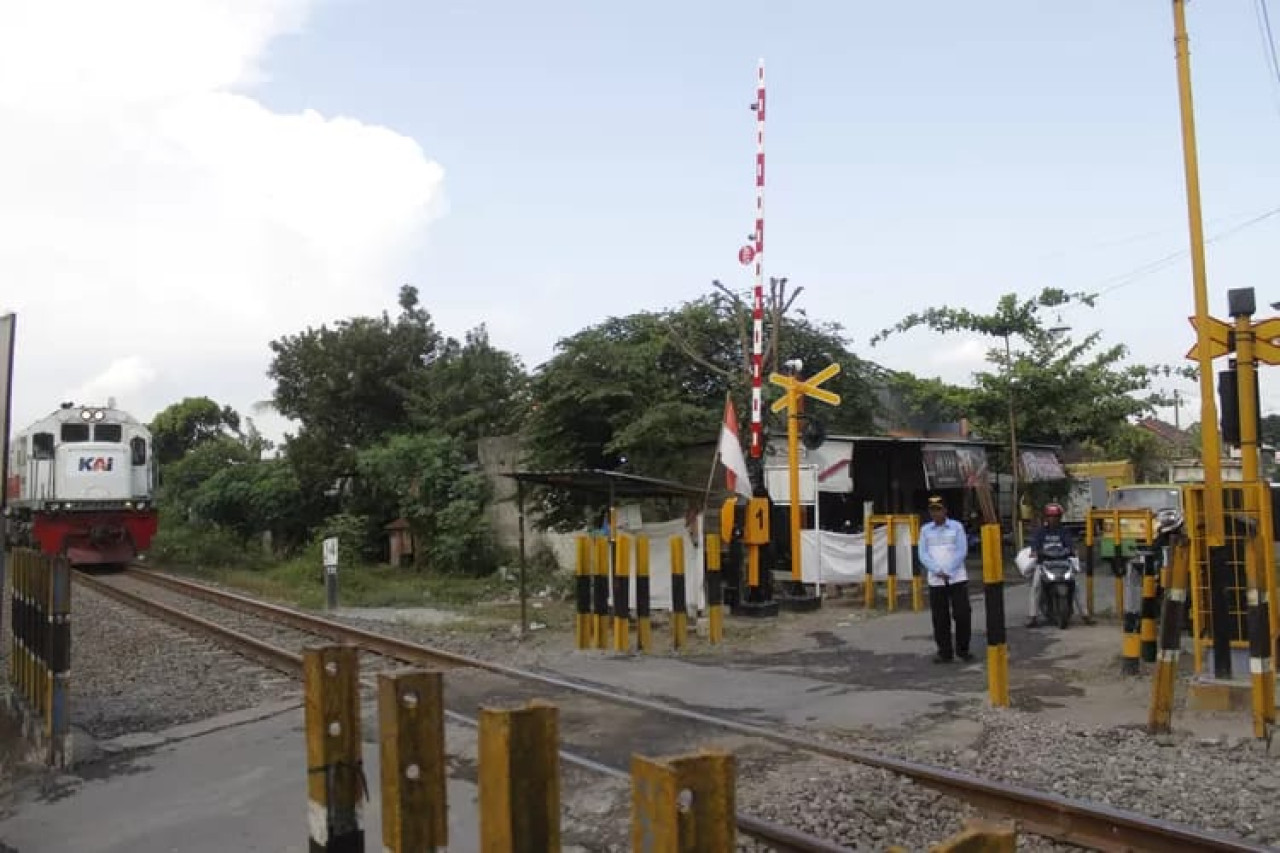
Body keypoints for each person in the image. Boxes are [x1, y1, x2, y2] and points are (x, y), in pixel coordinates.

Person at [918, 494, 972, 663]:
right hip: (936, 580)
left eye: (938, 510)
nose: (935, 514)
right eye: (932, 510)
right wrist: (936, 570)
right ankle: (945, 652)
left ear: (945, 511)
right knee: (940, 619)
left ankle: (963, 650)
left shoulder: (956, 527)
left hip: (957, 578)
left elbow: (962, 551)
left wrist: (948, 570)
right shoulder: (925, 530)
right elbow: (922, 554)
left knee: (962, 615)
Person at [1025, 502, 1094, 627]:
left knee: (1076, 585)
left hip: (1063, 563)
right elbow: (1034, 545)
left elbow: (1071, 546)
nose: (1053, 519)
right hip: (1044, 563)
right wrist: (1035, 552)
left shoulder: (1064, 532)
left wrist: (1073, 551)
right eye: (1050, 516)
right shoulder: (1040, 532)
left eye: (1056, 516)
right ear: (1046, 518)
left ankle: (1085, 615)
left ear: (1060, 517)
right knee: (1036, 586)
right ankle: (1032, 616)